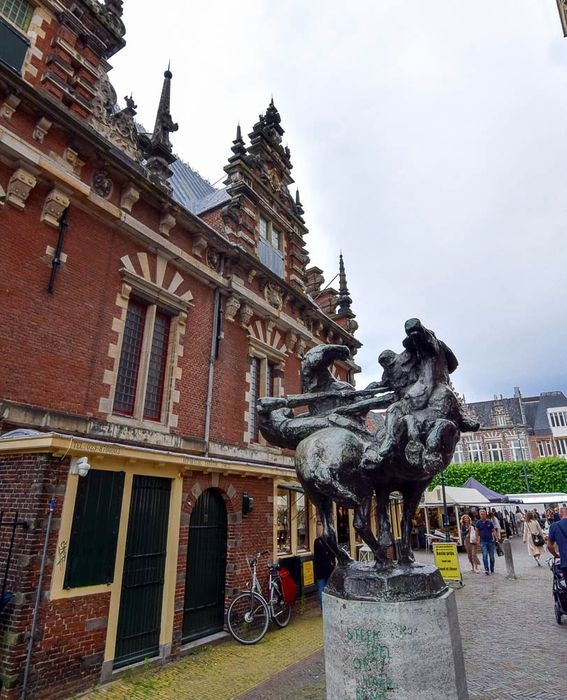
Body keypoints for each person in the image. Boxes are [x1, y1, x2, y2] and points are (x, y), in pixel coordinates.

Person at [314, 534, 336, 609]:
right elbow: (334, 554)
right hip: (329, 568)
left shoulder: (317, 541)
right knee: (329, 588)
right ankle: (329, 606)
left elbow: (316, 556)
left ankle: (323, 607)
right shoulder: (330, 541)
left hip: (320, 569)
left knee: (321, 588)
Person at [547, 506, 567, 584]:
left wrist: (556, 555)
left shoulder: (554, 526)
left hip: (565, 561)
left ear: (559, 514)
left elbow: (549, 546)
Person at [475, 508, 497, 575]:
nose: (482, 515)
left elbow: (493, 530)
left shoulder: (489, 522)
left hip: (490, 541)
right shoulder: (478, 523)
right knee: (484, 555)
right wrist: (477, 540)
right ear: (479, 515)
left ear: (486, 514)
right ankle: (486, 569)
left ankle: (492, 569)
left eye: (483, 514)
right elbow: (477, 531)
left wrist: (497, 538)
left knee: (491, 557)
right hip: (483, 541)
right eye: (481, 514)